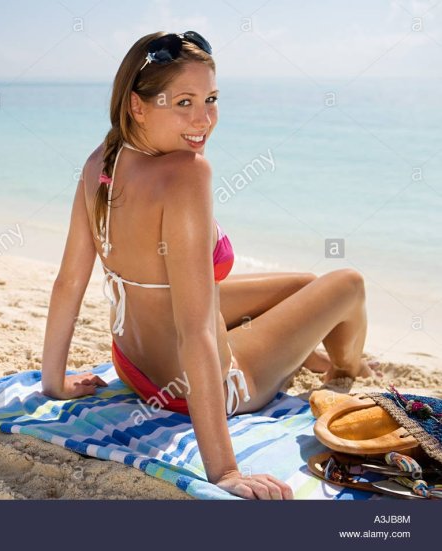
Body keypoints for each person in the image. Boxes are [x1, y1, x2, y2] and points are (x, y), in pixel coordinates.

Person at [40, 31, 379, 500]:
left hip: (134, 366)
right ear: (138, 105)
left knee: (304, 284)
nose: (204, 120)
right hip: (204, 386)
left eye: (211, 99)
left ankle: (309, 352)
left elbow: (69, 282)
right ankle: (343, 370)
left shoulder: (103, 161)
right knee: (348, 283)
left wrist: (53, 382)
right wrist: (224, 471)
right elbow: (197, 328)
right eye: (183, 102)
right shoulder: (187, 173)